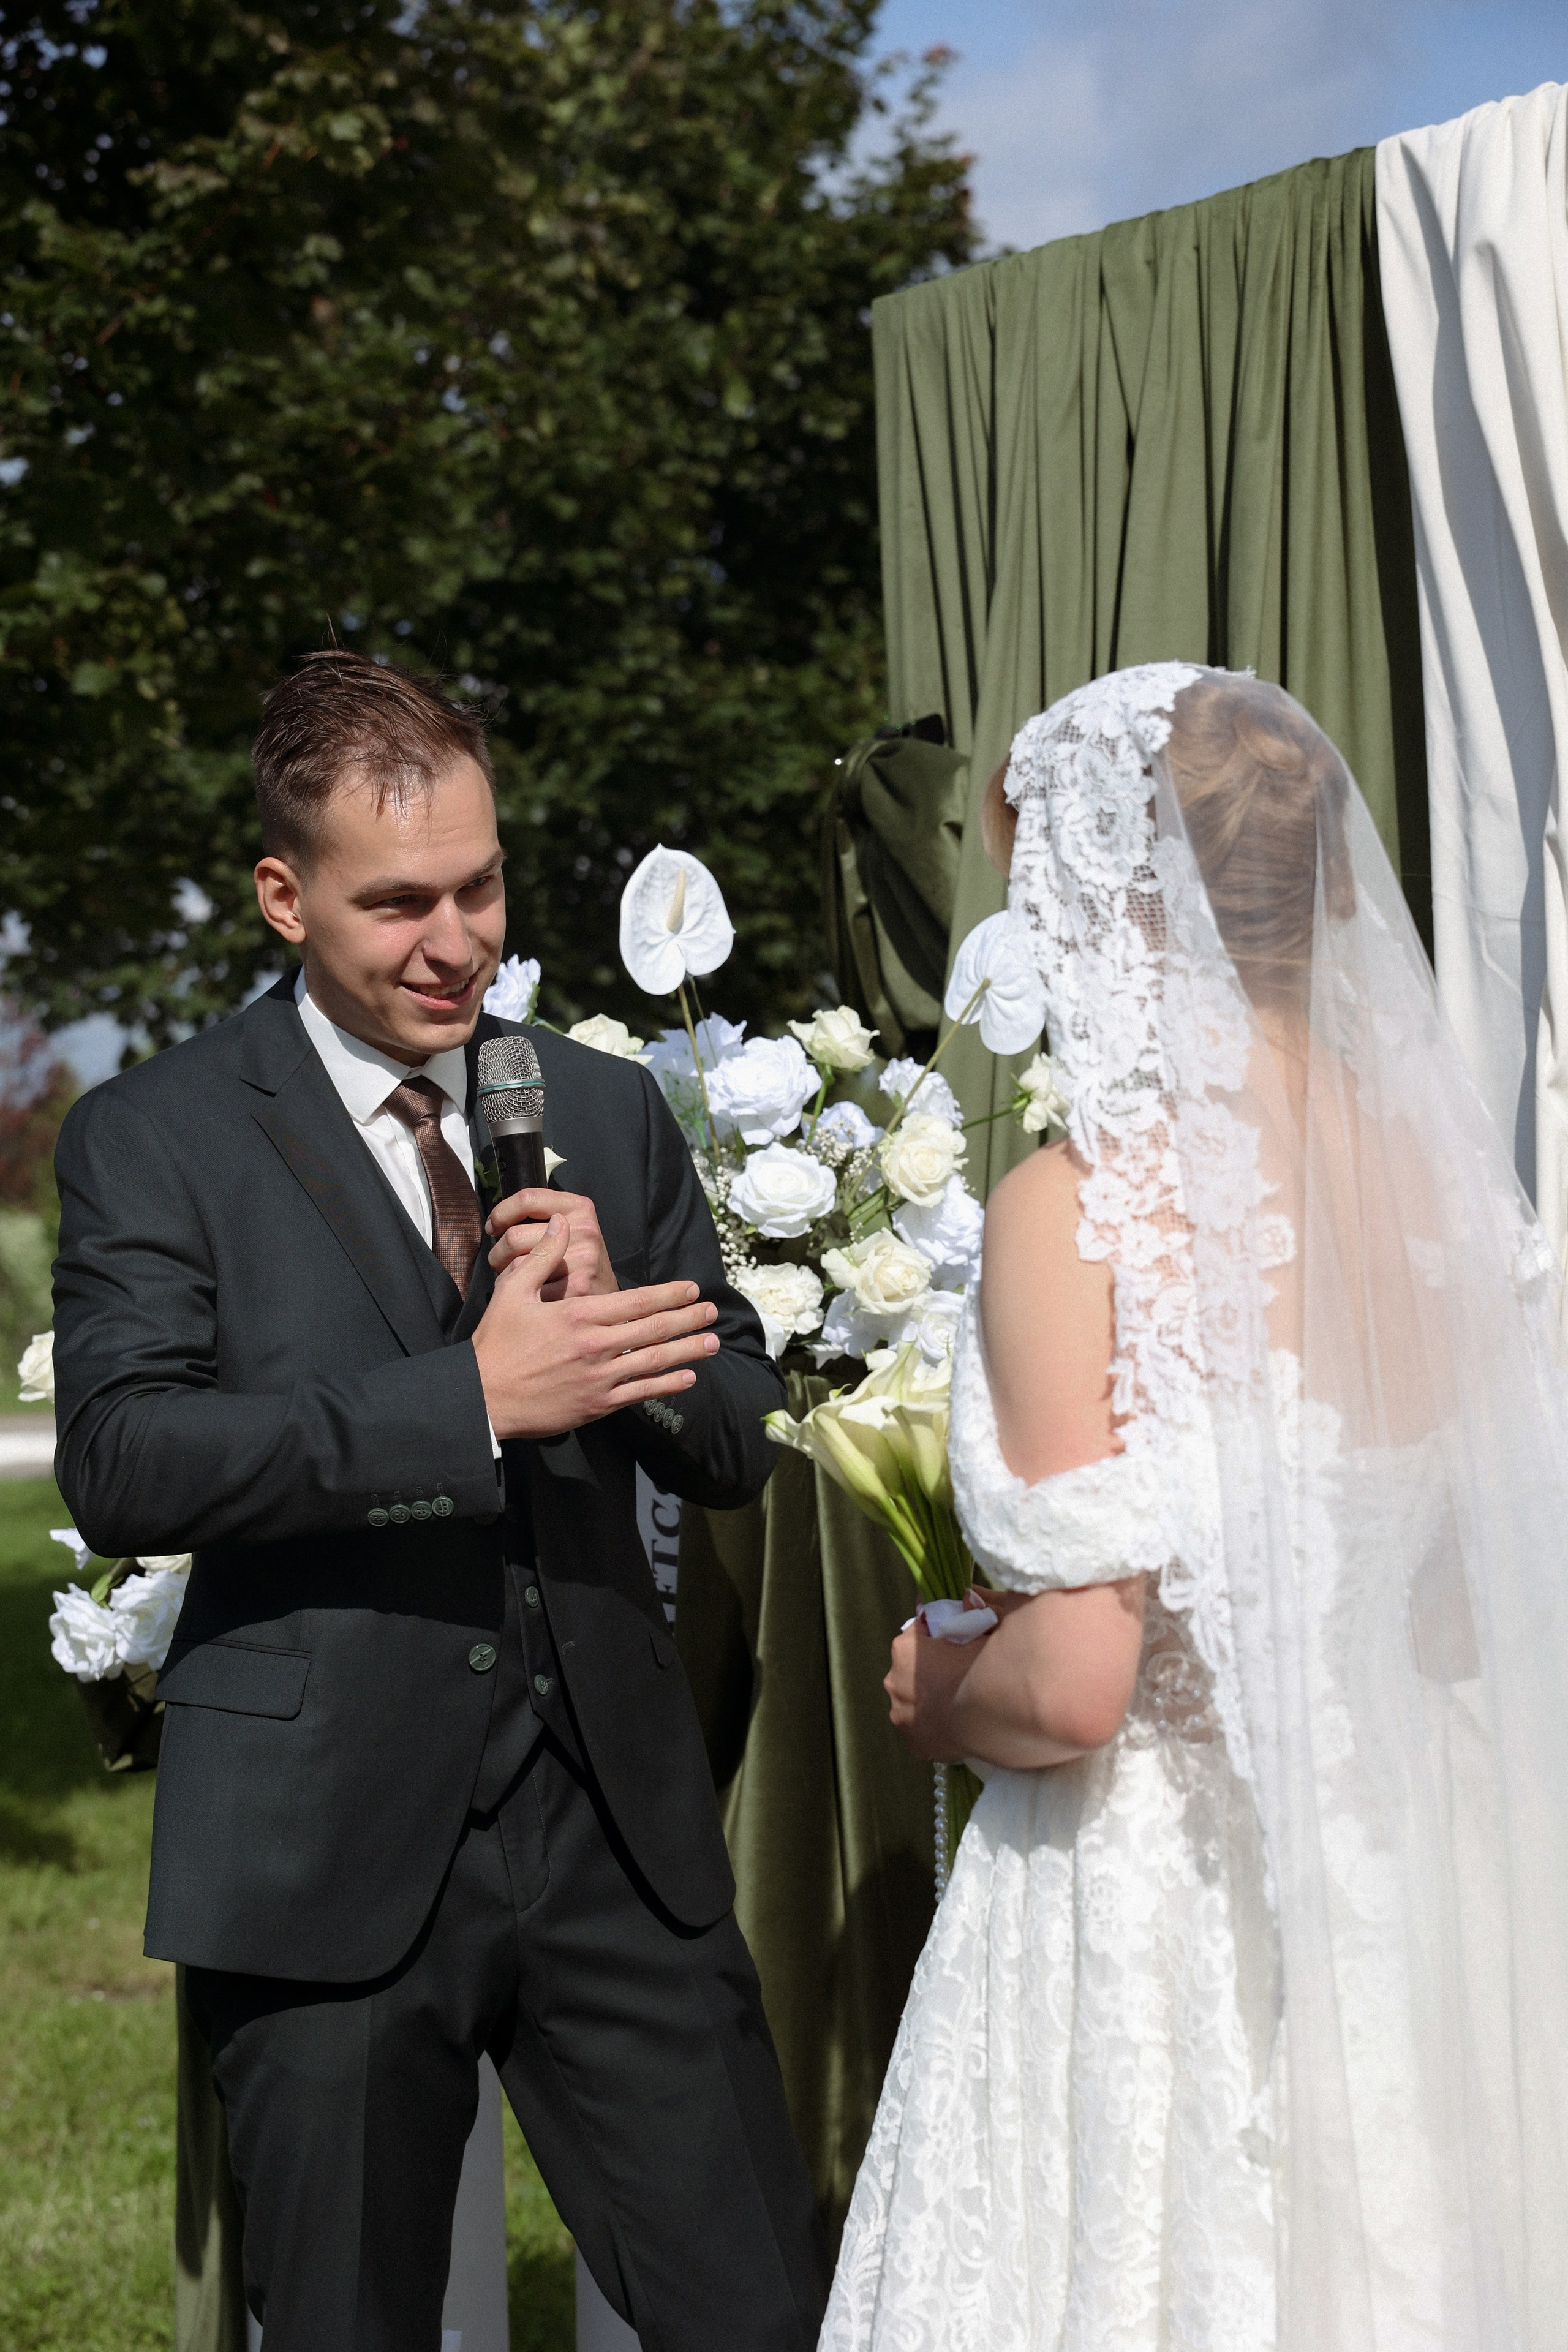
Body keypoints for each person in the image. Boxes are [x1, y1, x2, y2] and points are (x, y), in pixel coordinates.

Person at [51, 652, 828, 2352]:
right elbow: (123, 1462)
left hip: (617, 1842)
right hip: (322, 1856)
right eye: (398, 900)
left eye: (479, 885)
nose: (455, 938)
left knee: (765, 2315)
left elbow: (739, 1431)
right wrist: (464, 1404)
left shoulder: (605, 1112)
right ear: (282, 895)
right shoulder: (155, 1138)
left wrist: (636, 1334)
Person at [822, 663, 1568, 2349]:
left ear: (1120, 899)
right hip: (1388, 1889)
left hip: (1140, 1915)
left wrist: (944, 1690)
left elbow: (1081, 1683)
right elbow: (1455, 1608)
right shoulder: (1442, 1195)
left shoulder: (1077, 1214)